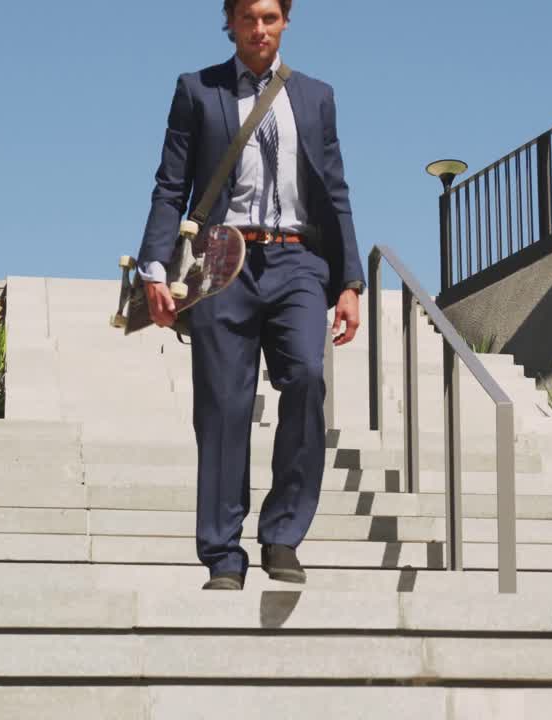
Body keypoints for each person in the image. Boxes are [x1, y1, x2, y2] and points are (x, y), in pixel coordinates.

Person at [135, 0, 365, 590]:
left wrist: (349, 280)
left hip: (298, 259)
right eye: (247, 18)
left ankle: (283, 534)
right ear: (230, 23)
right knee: (222, 405)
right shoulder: (197, 89)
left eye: (269, 17)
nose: (258, 29)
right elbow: (171, 185)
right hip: (221, 259)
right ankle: (222, 555)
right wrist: (154, 267)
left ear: (285, 20)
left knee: (306, 377)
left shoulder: (316, 96)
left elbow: (335, 190)